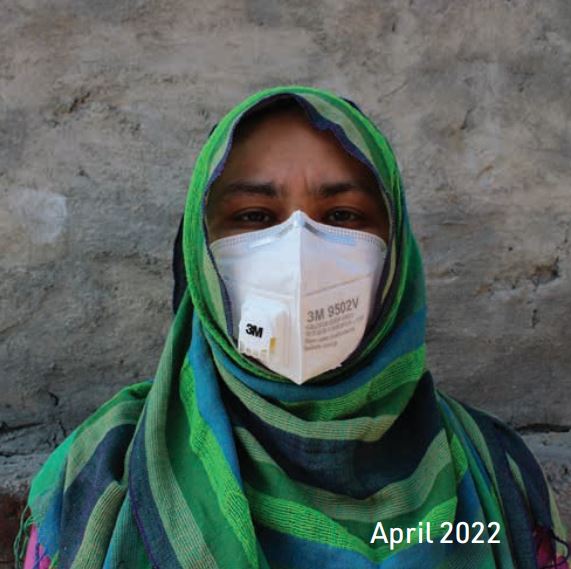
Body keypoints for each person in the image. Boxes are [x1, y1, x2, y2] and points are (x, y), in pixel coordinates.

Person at [17, 86, 568, 568]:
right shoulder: (102, 478)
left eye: (344, 216)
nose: (299, 253)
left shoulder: (496, 475)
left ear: (396, 257)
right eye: (254, 217)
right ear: (198, 254)